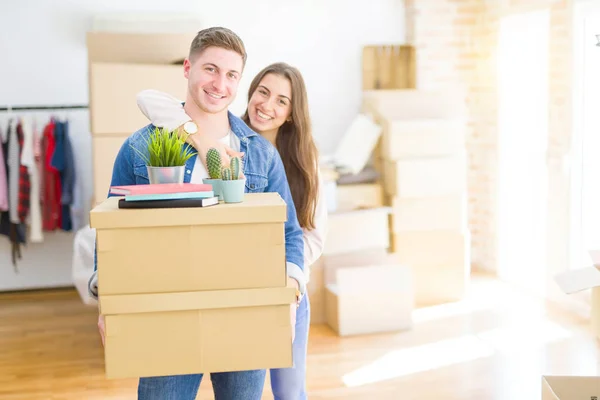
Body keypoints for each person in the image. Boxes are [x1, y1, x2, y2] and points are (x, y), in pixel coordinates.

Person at [88, 27, 306, 400]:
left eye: (231, 75)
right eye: (210, 69)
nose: (220, 84)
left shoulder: (260, 155)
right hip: (168, 317)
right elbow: (114, 235)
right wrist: (110, 300)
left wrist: (289, 295)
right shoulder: (139, 149)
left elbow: (290, 235)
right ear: (188, 68)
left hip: (245, 316)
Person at [136, 62, 327, 400]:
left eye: (282, 101)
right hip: (234, 289)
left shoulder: (304, 161)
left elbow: (309, 236)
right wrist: (201, 139)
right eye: (263, 92)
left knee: (289, 390)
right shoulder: (220, 140)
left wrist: (283, 278)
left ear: (292, 113)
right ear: (250, 92)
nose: (267, 106)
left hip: (286, 287)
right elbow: (148, 99)